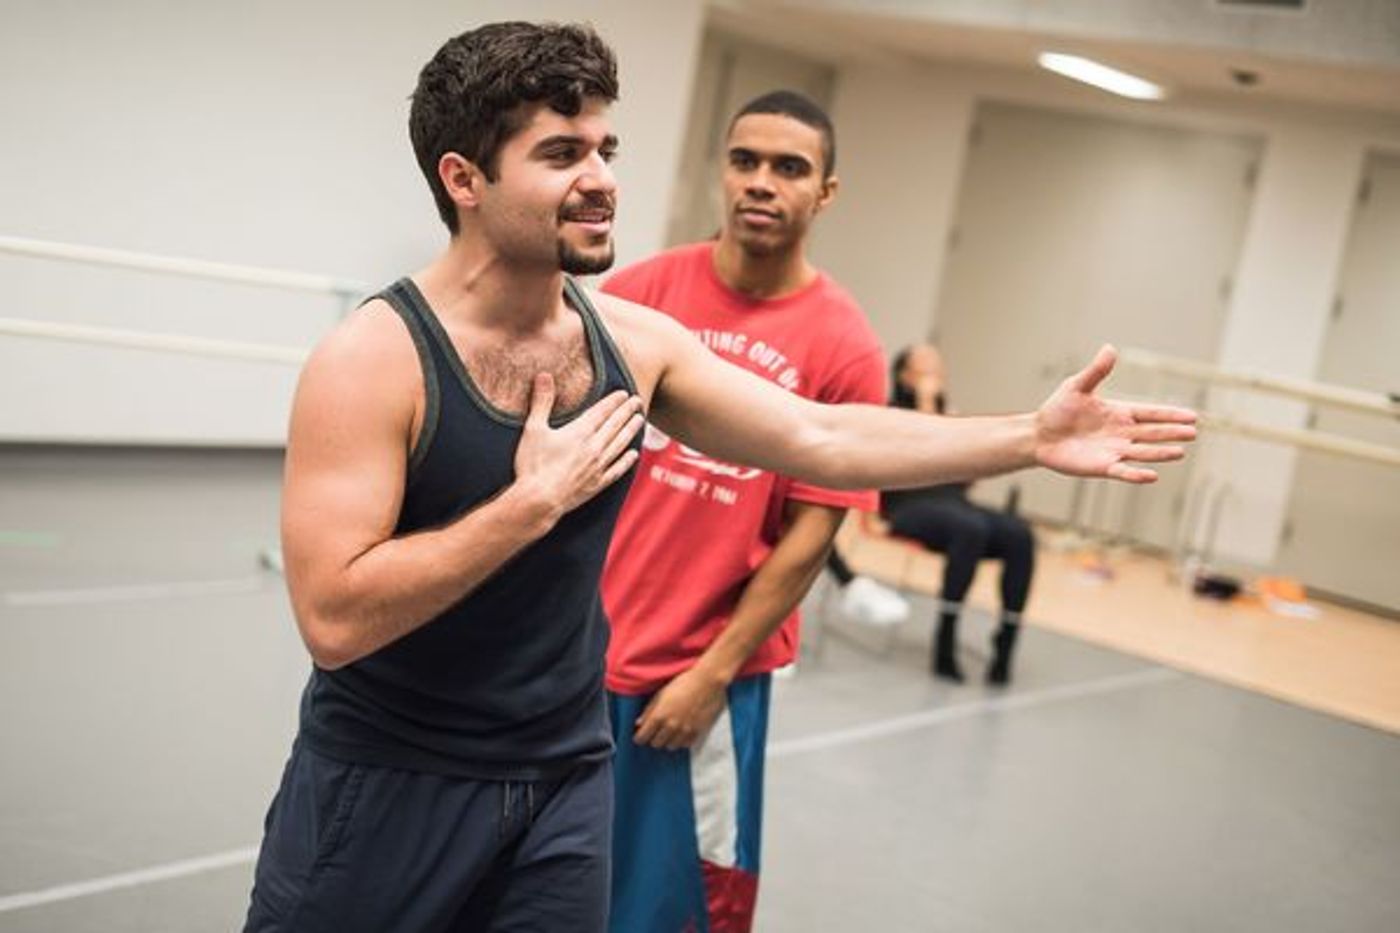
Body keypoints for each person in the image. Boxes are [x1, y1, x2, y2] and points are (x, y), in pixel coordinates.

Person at [243, 21, 1197, 933]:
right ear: (464, 179)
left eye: (607, 149)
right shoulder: (374, 360)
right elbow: (334, 617)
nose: (601, 180)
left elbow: (819, 438)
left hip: (565, 775)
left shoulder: (633, 341)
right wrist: (529, 505)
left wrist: (1029, 435)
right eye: (562, 154)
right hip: (393, 778)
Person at [597, 90, 888, 932]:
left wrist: (712, 673)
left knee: (677, 905)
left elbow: (808, 541)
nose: (761, 183)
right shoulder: (642, 292)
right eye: (745, 161)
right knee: (550, 884)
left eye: (789, 168)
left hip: (700, 678)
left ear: (824, 192)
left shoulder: (845, 343)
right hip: (583, 655)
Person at [832, 344, 1038, 685]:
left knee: (1018, 533)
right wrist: (929, 406)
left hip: (951, 502)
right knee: (969, 529)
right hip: (907, 505)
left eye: (937, 367)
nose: (934, 374)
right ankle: (946, 637)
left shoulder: (946, 414)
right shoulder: (891, 412)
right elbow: (924, 456)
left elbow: (965, 472)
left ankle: (1006, 638)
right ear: (904, 376)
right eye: (924, 367)